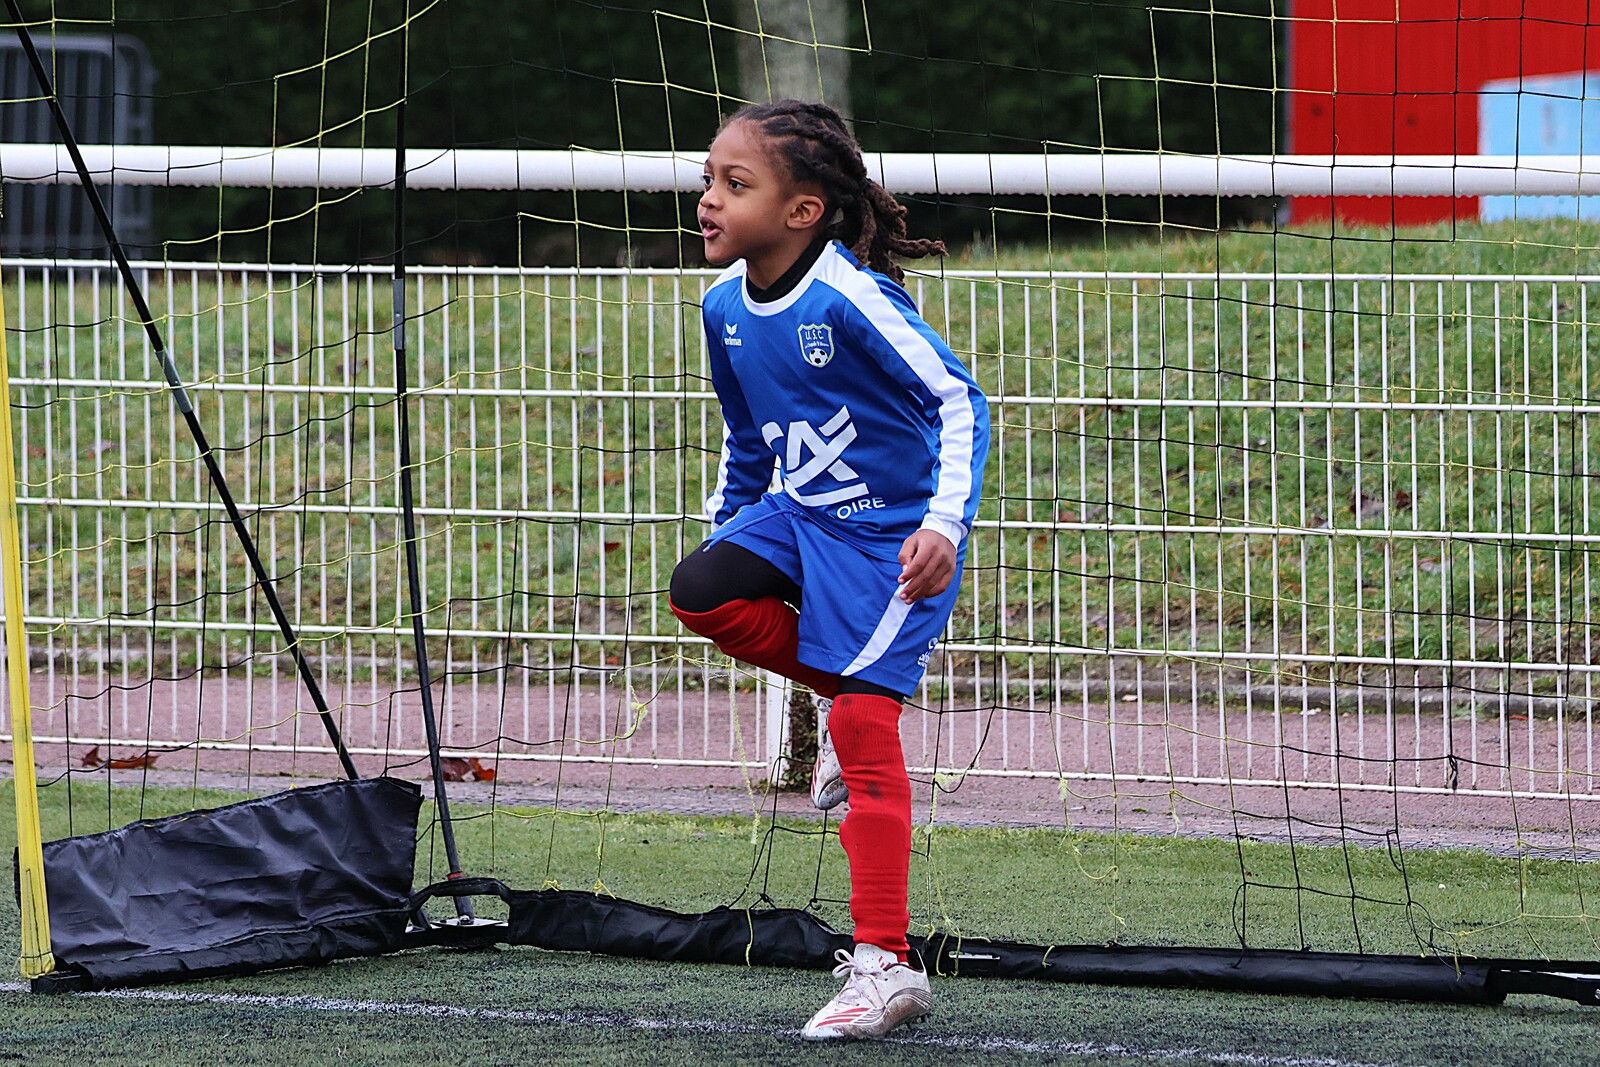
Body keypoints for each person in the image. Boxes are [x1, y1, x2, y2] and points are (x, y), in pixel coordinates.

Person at [668, 99, 990, 1041]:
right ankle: (854, 691)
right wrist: (731, 527)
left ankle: (886, 966)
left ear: (803, 210)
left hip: (893, 542)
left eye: (735, 184)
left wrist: (943, 525)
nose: (709, 200)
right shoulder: (723, 307)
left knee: (859, 718)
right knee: (700, 591)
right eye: (707, 180)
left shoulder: (852, 298)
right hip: (799, 516)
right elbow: (746, 435)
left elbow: (959, 401)